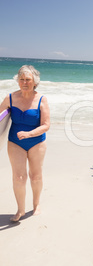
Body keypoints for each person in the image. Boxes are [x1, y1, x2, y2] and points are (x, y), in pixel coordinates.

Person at [0, 65, 50, 222]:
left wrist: (30, 133)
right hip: (15, 142)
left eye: (28, 79)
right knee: (19, 177)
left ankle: (36, 205)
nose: (24, 82)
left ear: (35, 81)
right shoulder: (10, 98)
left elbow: (46, 125)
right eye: (21, 79)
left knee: (35, 176)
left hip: (36, 142)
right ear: (18, 80)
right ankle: (20, 209)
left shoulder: (41, 99)